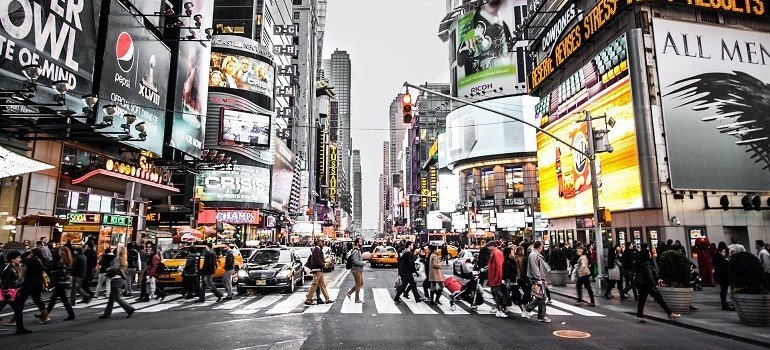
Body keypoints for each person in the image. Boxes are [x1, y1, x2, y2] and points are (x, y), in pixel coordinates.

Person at [634, 247, 681, 322]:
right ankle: (669, 313)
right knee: (659, 299)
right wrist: (654, 285)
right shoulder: (647, 263)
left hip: (640, 283)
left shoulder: (638, 262)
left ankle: (639, 316)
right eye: (649, 253)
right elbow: (649, 275)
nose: (650, 254)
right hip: (647, 284)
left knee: (641, 300)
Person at [13, 248, 48, 334]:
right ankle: (45, 316)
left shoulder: (33, 260)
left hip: (29, 283)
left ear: (33, 253)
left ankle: (14, 319)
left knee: (20, 300)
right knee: (37, 299)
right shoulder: (41, 259)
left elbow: (22, 258)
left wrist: (28, 252)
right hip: (38, 282)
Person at [38, 247, 75, 322]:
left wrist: (53, 272)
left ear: (63, 253)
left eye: (60, 252)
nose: (59, 253)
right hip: (61, 282)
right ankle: (45, 314)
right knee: (54, 299)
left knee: (60, 299)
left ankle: (71, 315)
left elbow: (63, 272)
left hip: (60, 282)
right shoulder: (66, 260)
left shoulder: (64, 261)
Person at [100, 246, 135, 319]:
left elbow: (115, 267)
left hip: (115, 279)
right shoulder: (124, 259)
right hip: (120, 279)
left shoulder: (117, 259)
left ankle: (129, 309)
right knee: (111, 298)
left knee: (116, 298)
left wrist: (109, 268)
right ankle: (107, 314)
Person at [524, 241, 549, 323]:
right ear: (540, 247)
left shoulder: (534, 255)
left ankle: (541, 316)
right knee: (541, 297)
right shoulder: (534, 255)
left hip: (538, 279)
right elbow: (535, 268)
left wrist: (542, 279)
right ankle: (528, 308)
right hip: (536, 279)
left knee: (541, 297)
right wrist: (539, 279)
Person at [503, 246, 527, 317]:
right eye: (512, 251)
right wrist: (508, 282)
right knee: (506, 296)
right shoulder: (507, 262)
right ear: (509, 253)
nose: (514, 252)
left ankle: (523, 311)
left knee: (517, 296)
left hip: (513, 282)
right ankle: (500, 310)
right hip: (510, 282)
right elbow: (507, 273)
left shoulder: (512, 260)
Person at [307, 240, 333, 305]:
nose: (323, 243)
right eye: (322, 242)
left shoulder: (318, 250)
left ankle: (327, 299)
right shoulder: (316, 250)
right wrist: (324, 265)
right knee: (314, 284)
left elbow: (320, 260)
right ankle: (308, 299)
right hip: (316, 270)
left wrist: (326, 263)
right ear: (318, 243)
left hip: (319, 270)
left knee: (322, 285)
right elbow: (317, 261)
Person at [0, 251, 22, 327]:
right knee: (18, 310)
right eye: (18, 258)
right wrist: (8, 294)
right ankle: (20, 329)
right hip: (8, 293)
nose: (20, 259)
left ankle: (20, 329)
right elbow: (6, 283)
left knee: (18, 310)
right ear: (13, 259)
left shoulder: (13, 268)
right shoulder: (9, 269)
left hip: (12, 292)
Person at [487, 242, 507, 318]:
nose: (488, 248)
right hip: (494, 277)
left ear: (493, 246)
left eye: (488, 246)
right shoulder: (495, 252)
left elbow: (499, 266)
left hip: (496, 277)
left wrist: (497, 277)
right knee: (495, 293)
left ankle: (500, 309)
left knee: (497, 294)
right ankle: (499, 309)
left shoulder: (496, 253)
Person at [712, 246, 733, 311]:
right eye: (723, 252)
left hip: (721, 277)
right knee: (724, 291)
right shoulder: (721, 260)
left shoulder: (717, 259)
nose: (724, 253)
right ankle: (724, 305)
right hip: (724, 277)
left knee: (723, 291)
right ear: (719, 252)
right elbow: (725, 268)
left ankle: (724, 304)